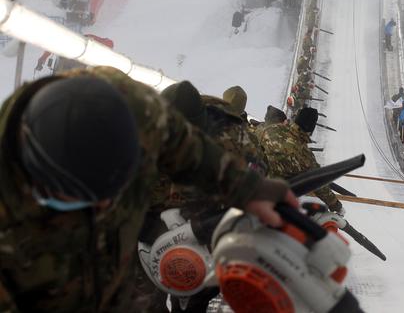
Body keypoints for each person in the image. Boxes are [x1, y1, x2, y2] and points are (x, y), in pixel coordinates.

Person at [0, 68, 296, 312]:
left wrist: (247, 188)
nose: (105, 207)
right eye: (86, 198)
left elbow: (180, 141)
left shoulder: (134, 109)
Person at [258, 107, 343, 213]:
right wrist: (336, 205)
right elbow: (318, 183)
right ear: (310, 129)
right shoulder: (304, 155)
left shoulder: (270, 129)